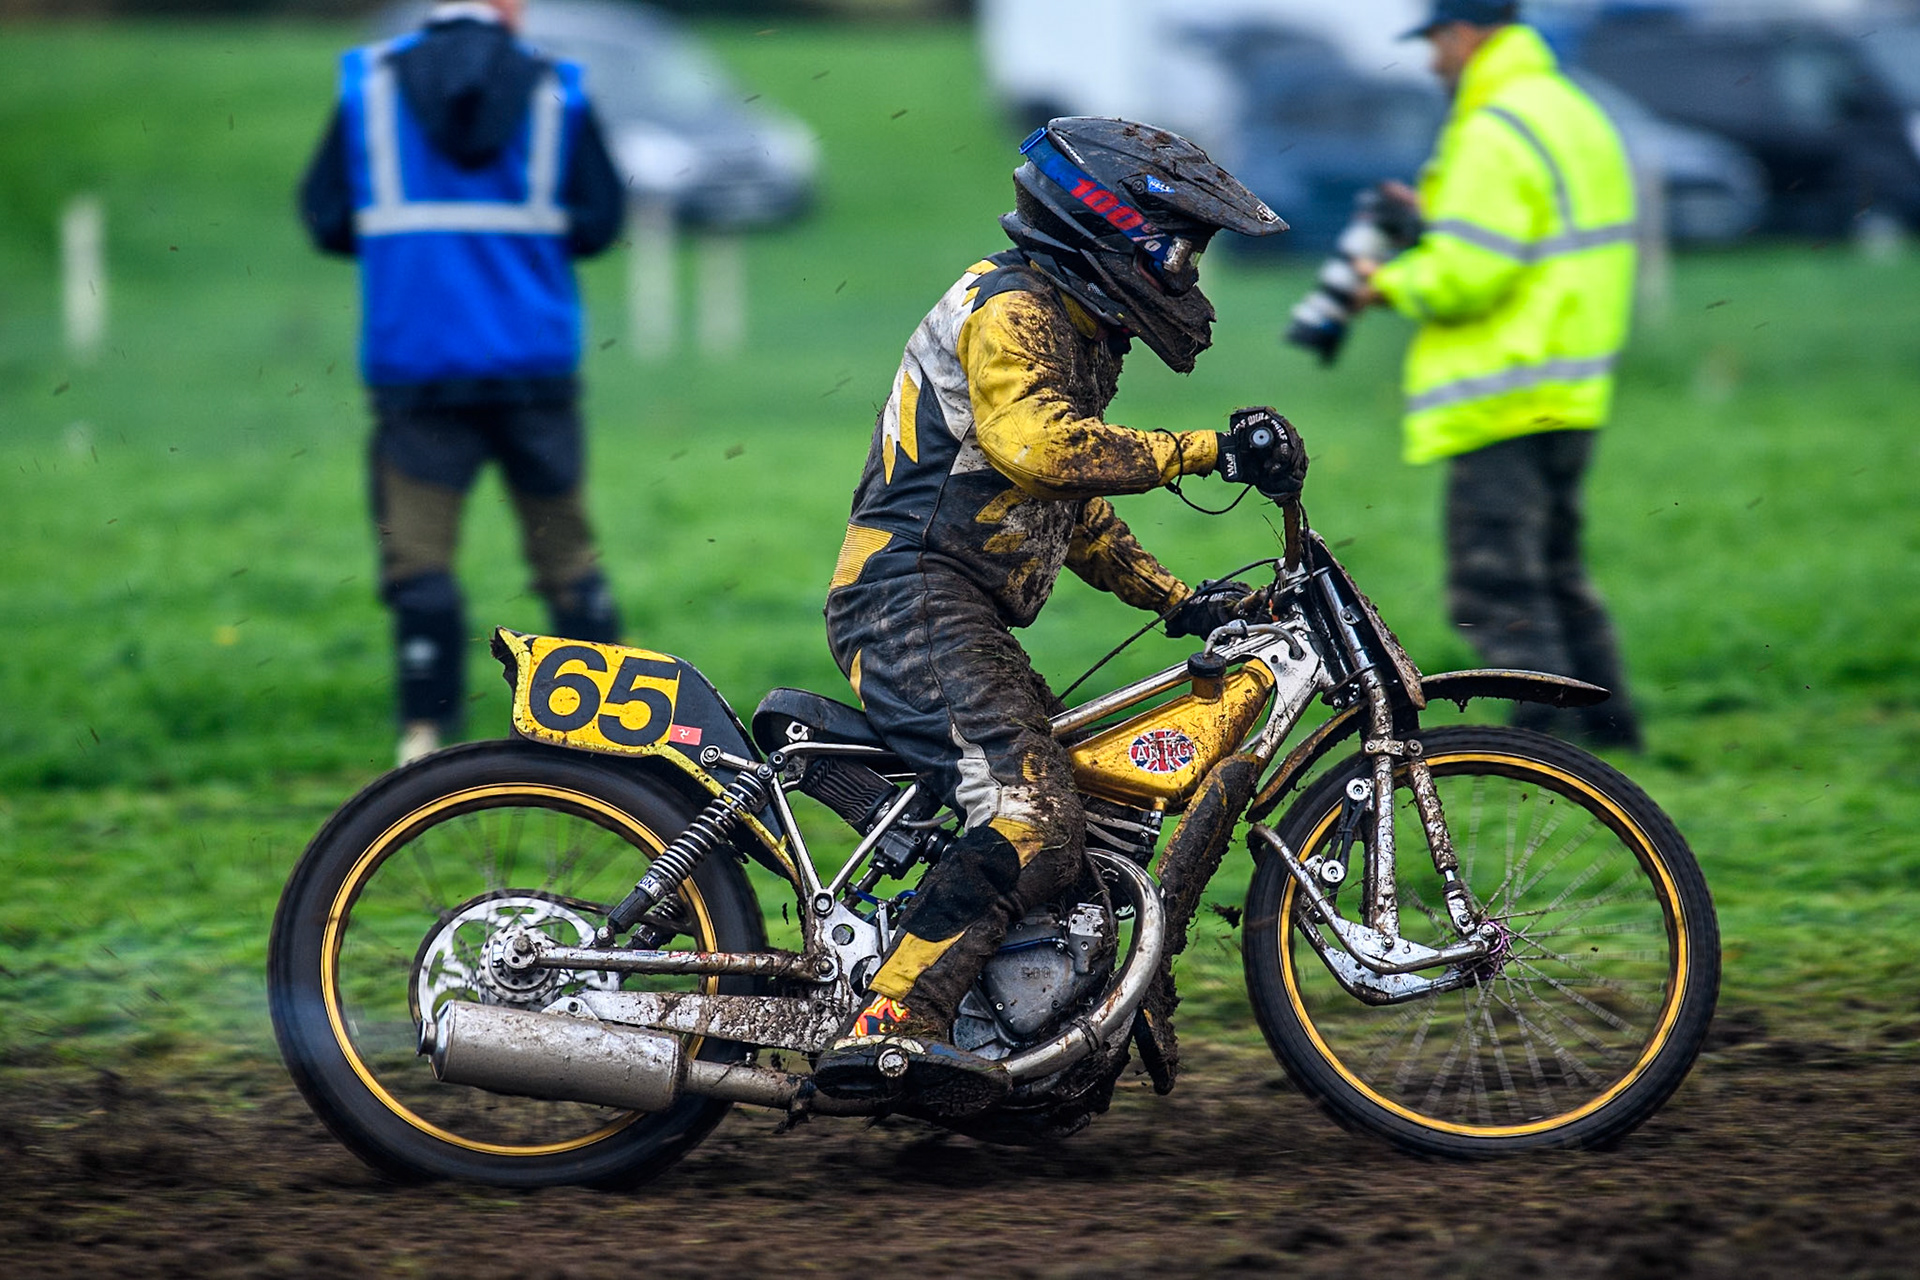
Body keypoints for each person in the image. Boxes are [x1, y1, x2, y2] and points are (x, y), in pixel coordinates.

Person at [812, 118, 1308, 1111]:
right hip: (911, 600)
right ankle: (889, 1021)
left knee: (1070, 807)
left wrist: (1178, 599)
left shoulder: (1070, 325)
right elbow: (1041, 450)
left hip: (956, 609)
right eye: (1179, 247)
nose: (1187, 272)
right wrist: (1206, 450)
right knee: (1033, 817)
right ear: (1114, 224)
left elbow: (1064, 511)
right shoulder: (1013, 306)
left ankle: (1017, 1041)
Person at [299, 0, 626, 766]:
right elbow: (600, 222)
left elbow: (324, 218)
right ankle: (608, 737)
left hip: (418, 368)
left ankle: (423, 739)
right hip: (534, 370)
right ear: (506, 7)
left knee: (418, 559)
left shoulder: (368, 84)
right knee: (567, 556)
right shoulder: (559, 89)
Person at [1355, 0, 1643, 748]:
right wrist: (1438, 214)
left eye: (1435, 44)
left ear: (1464, 33)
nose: (1431, 63)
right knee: (1555, 566)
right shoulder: (1568, 107)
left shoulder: (1493, 126)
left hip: (1503, 385)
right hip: (1569, 380)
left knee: (1497, 581)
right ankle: (1613, 731)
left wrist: (1383, 284)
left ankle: (1542, 743)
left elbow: (1470, 275)